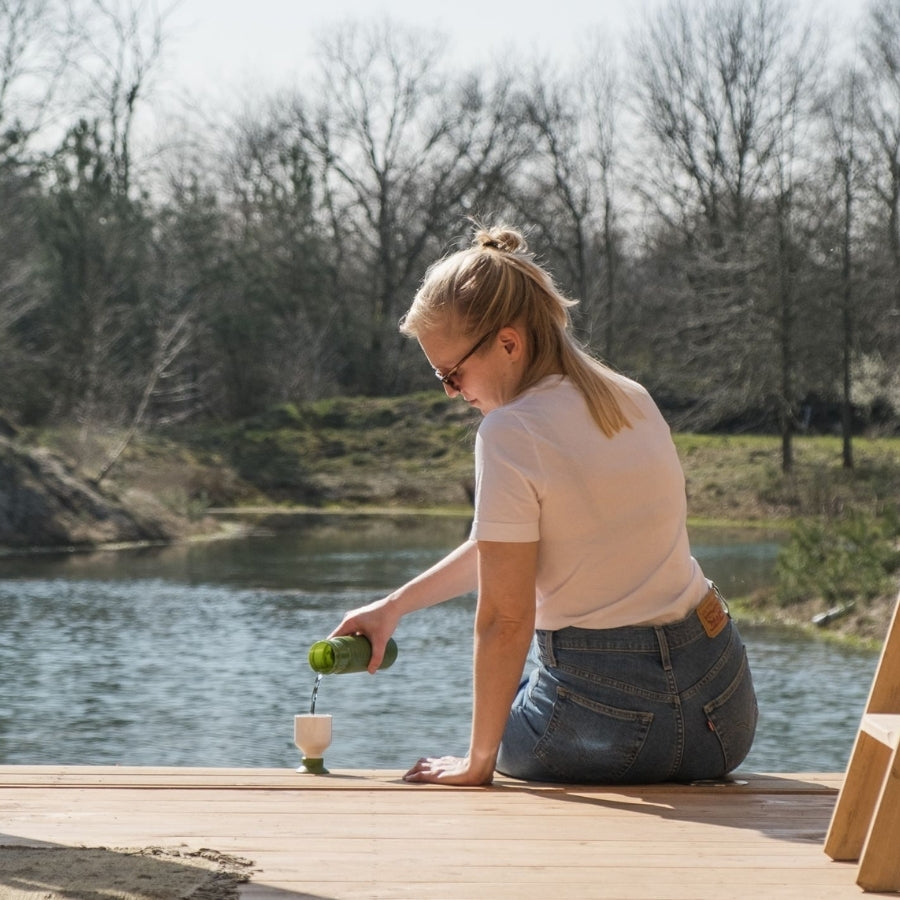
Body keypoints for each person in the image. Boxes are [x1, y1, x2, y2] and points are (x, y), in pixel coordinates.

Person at [329, 223, 758, 786]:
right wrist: (394, 607)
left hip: (605, 732)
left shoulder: (511, 430)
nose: (451, 391)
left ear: (509, 343)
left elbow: (505, 620)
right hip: (723, 719)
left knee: (509, 712)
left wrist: (477, 763)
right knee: (523, 690)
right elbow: (499, 546)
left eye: (452, 373)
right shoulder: (631, 397)